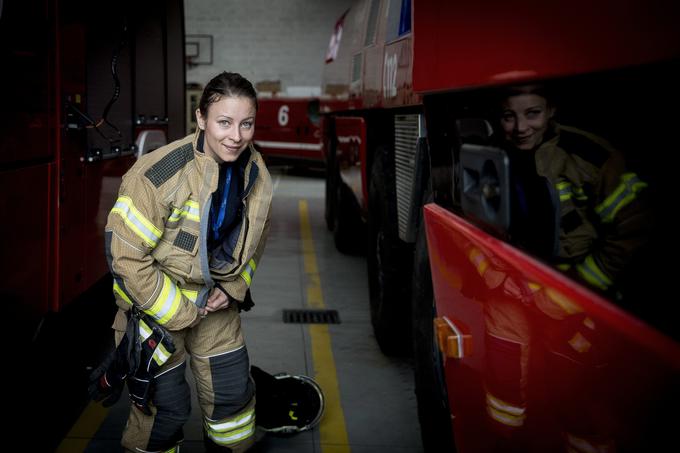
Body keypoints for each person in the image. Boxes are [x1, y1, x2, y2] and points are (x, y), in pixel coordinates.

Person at [91, 71, 273, 452]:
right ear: (201, 119)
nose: (236, 136)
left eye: (246, 124)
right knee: (163, 413)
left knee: (232, 406)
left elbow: (254, 243)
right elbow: (125, 256)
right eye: (224, 122)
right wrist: (180, 312)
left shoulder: (256, 172)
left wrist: (233, 287)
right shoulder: (158, 174)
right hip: (158, 313)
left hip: (217, 307)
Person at [497, 84, 649, 297]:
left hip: (579, 289)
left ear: (551, 110)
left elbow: (632, 230)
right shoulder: (494, 157)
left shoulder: (591, 157)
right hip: (524, 283)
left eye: (533, 113)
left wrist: (579, 287)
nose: (521, 127)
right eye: (508, 116)